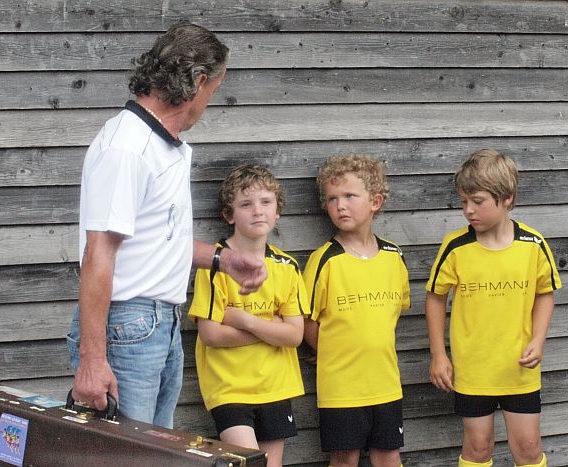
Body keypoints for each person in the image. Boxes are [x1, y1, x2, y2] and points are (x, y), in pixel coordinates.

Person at [67, 21, 267, 429]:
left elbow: (155, 241)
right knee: (125, 455)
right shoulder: (128, 148)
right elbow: (98, 254)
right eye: (214, 90)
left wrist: (224, 260)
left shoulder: (161, 144)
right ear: (198, 82)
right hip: (127, 327)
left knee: (154, 453)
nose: (209, 103)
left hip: (158, 324)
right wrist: (92, 360)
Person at [425, 149, 562, 467]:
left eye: (477, 201)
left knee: (528, 448)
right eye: (463, 202)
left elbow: (545, 294)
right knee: (477, 447)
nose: (468, 210)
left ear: (507, 198)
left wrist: (538, 339)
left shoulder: (533, 244)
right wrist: (438, 354)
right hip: (473, 370)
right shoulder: (456, 247)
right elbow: (435, 297)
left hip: (519, 369)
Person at [188, 165, 306, 467]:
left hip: (275, 385)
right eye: (245, 204)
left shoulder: (287, 266)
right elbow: (211, 334)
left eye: (266, 202)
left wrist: (244, 320)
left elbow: (294, 335)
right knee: (249, 464)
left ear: (277, 211)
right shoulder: (215, 264)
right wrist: (272, 328)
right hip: (229, 389)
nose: (257, 211)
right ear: (229, 215)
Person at [303, 154, 410, 467]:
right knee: (345, 458)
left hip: (385, 384)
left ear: (375, 201)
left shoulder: (393, 256)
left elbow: (392, 316)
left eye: (350, 196)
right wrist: (333, 351)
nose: (340, 206)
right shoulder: (325, 260)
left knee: (389, 456)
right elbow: (308, 321)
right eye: (332, 199)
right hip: (341, 387)